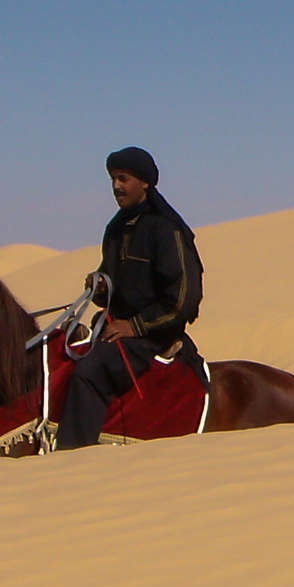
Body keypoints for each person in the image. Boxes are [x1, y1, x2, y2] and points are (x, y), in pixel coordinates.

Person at [56, 146, 205, 449]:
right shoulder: (116, 228)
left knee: (90, 370)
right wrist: (100, 285)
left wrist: (134, 326)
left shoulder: (166, 229)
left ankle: (71, 458)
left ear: (145, 182)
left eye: (123, 179)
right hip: (114, 328)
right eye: (113, 179)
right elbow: (114, 283)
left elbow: (184, 300)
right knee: (61, 354)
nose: (116, 186)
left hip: (153, 336)